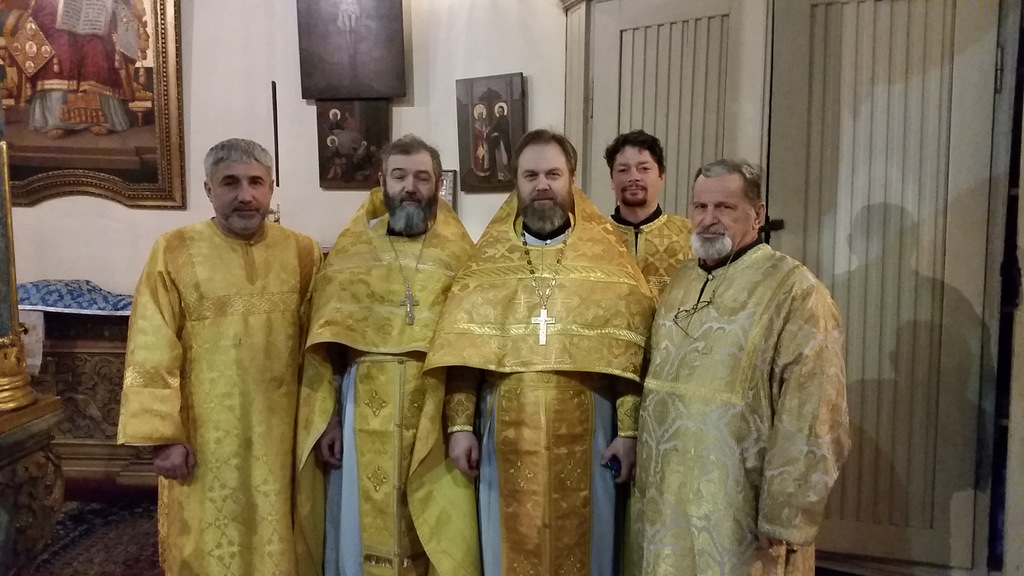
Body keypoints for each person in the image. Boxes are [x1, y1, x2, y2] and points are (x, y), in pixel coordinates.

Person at [426, 129, 655, 576]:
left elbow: (628, 355)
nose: (542, 185)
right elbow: (465, 352)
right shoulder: (486, 265)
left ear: (572, 180)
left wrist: (628, 432)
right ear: (516, 183)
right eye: (530, 175)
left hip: (590, 434)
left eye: (553, 174)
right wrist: (460, 426)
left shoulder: (609, 262)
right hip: (506, 436)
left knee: (588, 549)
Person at [631, 159, 850, 575]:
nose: (708, 219)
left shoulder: (795, 291)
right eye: (700, 207)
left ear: (758, 214)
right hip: (667, 499)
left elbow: (814, 406)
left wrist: (785, 509)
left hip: (740, 509)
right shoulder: (681, 282)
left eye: (725, 208)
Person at [117, 138, 321, 575]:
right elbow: (151, 346)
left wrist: (326, 420)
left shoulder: (302, 252)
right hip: (205, 437)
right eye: (230, 183)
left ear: (271, 187)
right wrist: (163, 436)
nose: (245, 195)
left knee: (282, 538)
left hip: (283, 431)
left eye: (256, 182)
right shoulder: (173, 250)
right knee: (206, 544)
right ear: (208, 189)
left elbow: (318, 343)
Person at [294, 135, 480, 576]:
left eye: (422, 177)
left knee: (436, 521)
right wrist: (330, 419)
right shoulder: (351, 253)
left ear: (438, 185)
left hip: (434, 404)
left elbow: (472, 346)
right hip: (362, 409)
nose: (410, 187)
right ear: (382, 182)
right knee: (362, 528)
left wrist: (462, 424)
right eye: (399, 176)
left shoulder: (460, 254)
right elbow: (326, 345)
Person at [605, 130, 692, 298]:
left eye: (644, 169)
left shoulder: (689, 235)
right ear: (612, 180)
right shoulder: (595, 237)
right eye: (623, 170)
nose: (634, 177)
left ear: (661, 176)